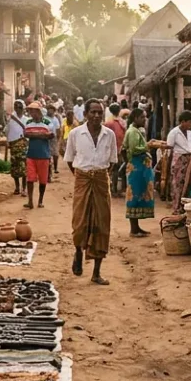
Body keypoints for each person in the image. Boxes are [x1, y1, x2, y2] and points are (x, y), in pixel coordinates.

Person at [64, 98, 118, 285]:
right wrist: (84, 175)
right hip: (82, 178)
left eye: (99, 112)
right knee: (79, 223)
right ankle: (79, 251)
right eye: (93, 112)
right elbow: (70, 160)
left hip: (102, 180)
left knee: (102, 225)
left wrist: (99, 175)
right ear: (85, 114)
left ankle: (96, 273)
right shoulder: (76, 134)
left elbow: (112, 161)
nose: (96, 115)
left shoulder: (109, 134)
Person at [123, 107, 155, 236]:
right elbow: (135, 149)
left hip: (141, 169)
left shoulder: (136, 131)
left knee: (139, 194)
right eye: (142, 117)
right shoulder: (132, 132)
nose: (145, 119)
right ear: (135, 118)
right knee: (134, 196)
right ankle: (133, 229)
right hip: (136, 169)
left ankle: (137, 227)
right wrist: (149, 145)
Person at [165, 110, 191, 213]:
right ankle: (176, 207)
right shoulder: (174, 132)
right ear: (183, 122)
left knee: (188, 184)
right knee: (177, 184)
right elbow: (169, 146)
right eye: (189, 122)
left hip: (189, 159)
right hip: (179, 160)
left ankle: (184, 207)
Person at [23, 102, 53, 209]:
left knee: (43, 179)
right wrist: (41, 135)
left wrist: (34, 135)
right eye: (30, 111)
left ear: (38, 111)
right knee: (30, 179)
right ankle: (30, 201)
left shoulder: (47, 122)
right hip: (31, 154)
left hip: (44, 155)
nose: (31, 113)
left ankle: (40, 200)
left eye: (33, 111)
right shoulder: (28, 122)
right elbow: (26, 134)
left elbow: (50, 135)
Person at [5, 100, 28, 195]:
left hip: (24, 145)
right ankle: (17, 187)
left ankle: (24, 188)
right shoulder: (11, 120)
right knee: (15, 167)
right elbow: (7, 131)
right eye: (16, 107)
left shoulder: (26, 120)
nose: (18, 109)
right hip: (14, 146)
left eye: (20, 108)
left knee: (24, 168)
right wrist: (8, 142)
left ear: (23, 109)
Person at [106, 103, 127, 198]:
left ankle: (113, 188)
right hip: (121, 148)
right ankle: (119, 188)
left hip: (111, 148)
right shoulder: (122, 122)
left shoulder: (108, 122)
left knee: (113, 169)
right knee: (119, 169)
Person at [46, 104, 62, 182]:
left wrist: (58, 138)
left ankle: (55, 168)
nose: (50, 111)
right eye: (49, 109)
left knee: (55, 154)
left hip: (54, 138)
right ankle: (48, 174)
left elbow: (58, 129)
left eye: (51, 109)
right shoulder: (44, 118)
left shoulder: (55, 119)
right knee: (48, 155)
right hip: (46, 138)